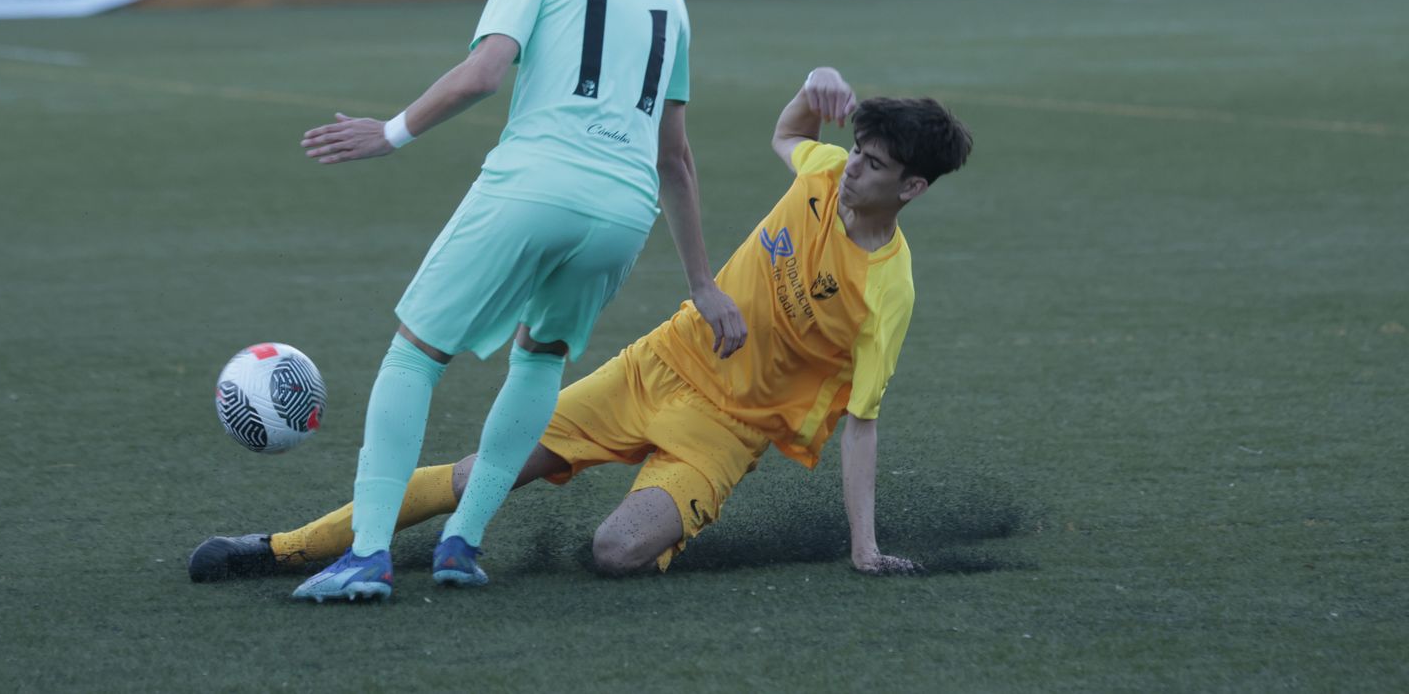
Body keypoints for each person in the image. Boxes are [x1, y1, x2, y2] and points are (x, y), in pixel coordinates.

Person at [190, 68, 973, 583]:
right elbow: (787, 131)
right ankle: (277, 548)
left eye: (872, 164)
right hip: (655, 366)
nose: (851, 168)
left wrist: (863, 547)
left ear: (912, 188)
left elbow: (862, 422)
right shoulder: (824, 171)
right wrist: (814, 86)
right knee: (475, 472)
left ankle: (670, 513)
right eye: (856, 150)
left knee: (614, 551)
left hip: (727, 433)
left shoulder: (887, 291)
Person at [274, 0, 745, 603]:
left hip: (536, 184)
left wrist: (390, 132)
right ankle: (462, 543)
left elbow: (485, 72)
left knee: (416, 353)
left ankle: (367, 554)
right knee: (539, 358)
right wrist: (702, 280)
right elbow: (677, 155)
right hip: (623, 212)